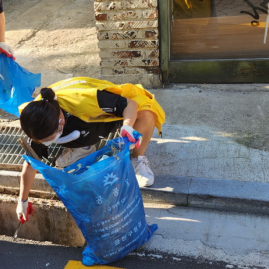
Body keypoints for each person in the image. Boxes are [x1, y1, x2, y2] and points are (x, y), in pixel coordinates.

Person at [16, 77, 166, 223]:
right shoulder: (37, 121)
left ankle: (137, 159)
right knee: (72, 134)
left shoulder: (86, 101)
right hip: (77, 124)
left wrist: (127, 126)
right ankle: (83, 148)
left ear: (60, 123)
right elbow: (30, 164)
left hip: (103, 116)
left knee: (147, 114)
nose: (47, 143)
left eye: (50, 138)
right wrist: (22, 200)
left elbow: (130, 104)